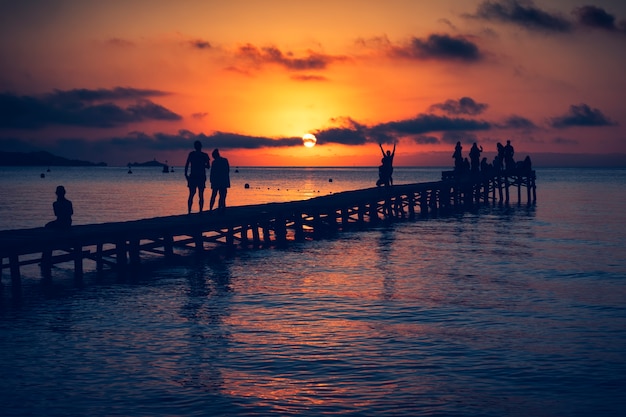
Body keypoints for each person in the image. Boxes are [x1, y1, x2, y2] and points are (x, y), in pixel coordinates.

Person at [184, 140, 210, 213]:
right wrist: (202, 164)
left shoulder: (192, 154)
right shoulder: (204, 155)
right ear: (201, 147)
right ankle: (200, 211)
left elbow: (187, 164)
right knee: (200, 195)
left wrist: (186, 174)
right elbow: (208, 166)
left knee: (192, 194)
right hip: (199, 176)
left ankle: (189, 211)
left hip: (194, 177)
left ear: (195, 147)